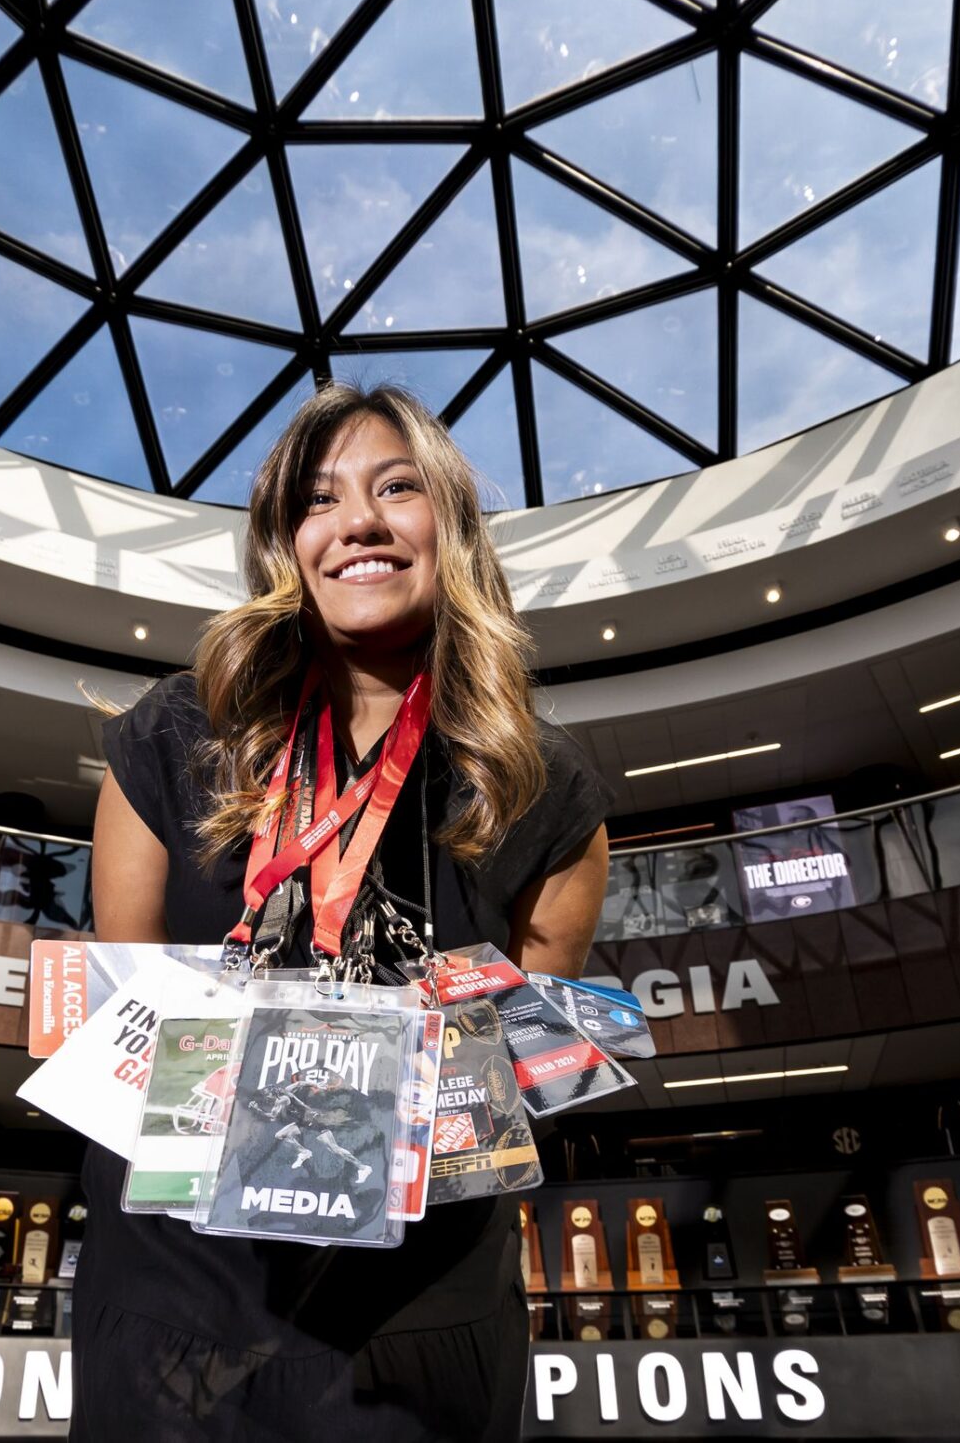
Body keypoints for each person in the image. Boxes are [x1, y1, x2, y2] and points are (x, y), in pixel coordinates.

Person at [75, 383, 612, 1442]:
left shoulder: (542, 783)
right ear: (287, 542)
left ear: (449, 523)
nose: (356, 521)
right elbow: (125, 1020)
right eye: (317, 500)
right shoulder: (178, 732)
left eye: (396, 487)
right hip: (174, 1300)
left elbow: (525, 1054)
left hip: (419, 1321)